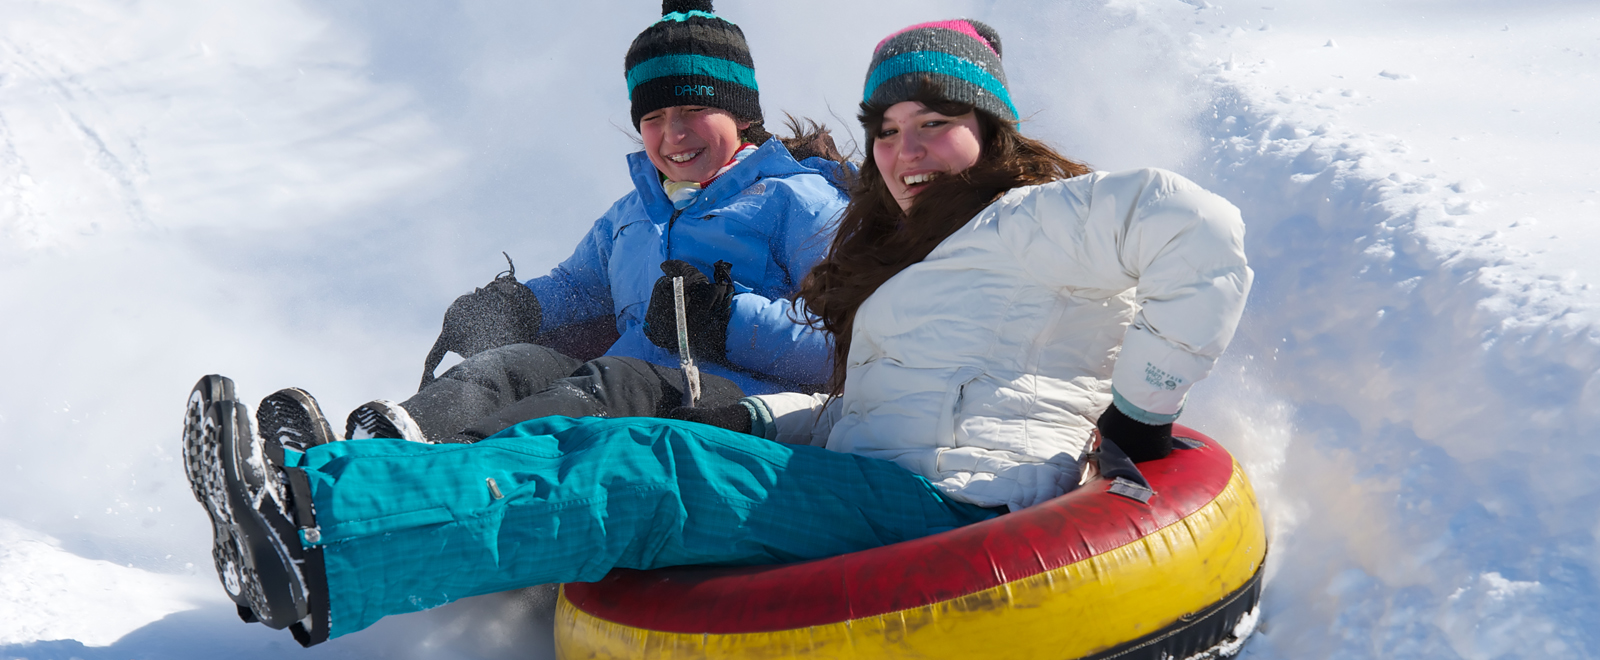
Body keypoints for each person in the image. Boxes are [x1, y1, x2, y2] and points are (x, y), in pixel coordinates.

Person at [183, 18, 1251, 647]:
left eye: (937, 124)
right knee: (574, 417)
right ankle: (323, 489)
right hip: (877, 472)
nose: (906, 150)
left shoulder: (1034, 214)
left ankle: (325, 543)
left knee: (647, 461)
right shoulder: (912, 255)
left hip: (956, 503)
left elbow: (1203, 236)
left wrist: (1143, 414)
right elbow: (874, 394)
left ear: (993, 129)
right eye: (888, 131)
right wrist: (762, 420)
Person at [325, 0, 850, 447]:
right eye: (652, 119)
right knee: (518, 364)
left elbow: (856, 341)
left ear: (740, 113)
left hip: (730, 403)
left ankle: (457, 468)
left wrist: (726, 322)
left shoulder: (796, 199)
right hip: (623, 389)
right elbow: (578, 289)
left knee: (609, 382)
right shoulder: (630, 216)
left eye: (691, 109)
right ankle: (383, 446)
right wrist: (519, 305)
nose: (673, 134)